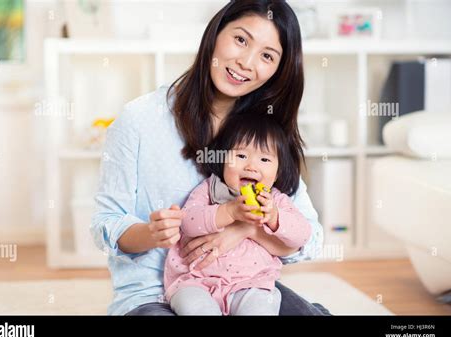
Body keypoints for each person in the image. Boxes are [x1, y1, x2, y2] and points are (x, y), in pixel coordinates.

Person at [91, 0, 329, 316]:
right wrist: (149, 234)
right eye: (241, 39)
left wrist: (245, 229)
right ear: (215, 33)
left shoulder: (264, 134)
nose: (246, 62)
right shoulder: (140, 118)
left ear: (279, 70)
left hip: (242, 285)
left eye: (267, 56)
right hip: (154, 296)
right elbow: (105, 226)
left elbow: (310, 237)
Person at [164, 114, 312, 315]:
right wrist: (229, 211)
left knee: (261, 306)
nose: (251, 166)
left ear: (277, 172)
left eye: (265, 159)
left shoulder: (275, 201)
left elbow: (302, 235)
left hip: (252, 283)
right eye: (241, 156)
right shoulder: (211, 189)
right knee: (195, 308)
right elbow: (188, 222)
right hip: (196, 281)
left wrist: (275, 218)